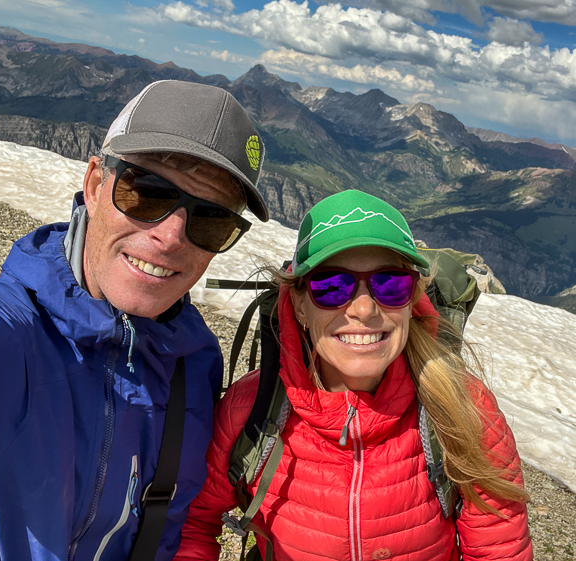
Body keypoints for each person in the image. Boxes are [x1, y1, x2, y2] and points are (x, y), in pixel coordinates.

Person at [0, 80, 268, 560]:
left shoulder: (196, 365)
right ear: (94, 185)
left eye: (211, 220)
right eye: (147, 193)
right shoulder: (8, 335)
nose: (172, 236)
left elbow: (172, 528)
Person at [174, 190, 533, 561]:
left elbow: (499, 550)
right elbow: (193, 522)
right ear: (298, 305)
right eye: (332, 287)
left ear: (412, 302)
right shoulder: (251, 408)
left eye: (390, 285)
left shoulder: (465, 410)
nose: (363, 309)